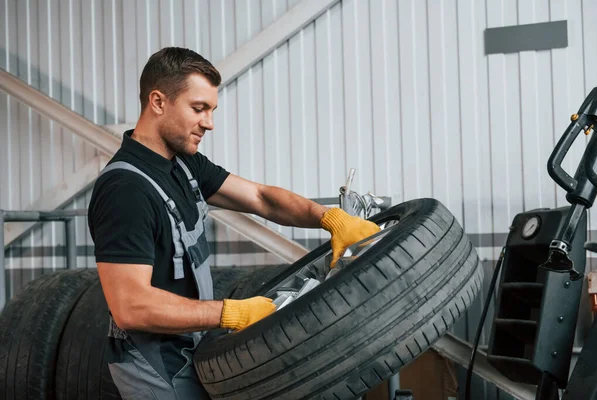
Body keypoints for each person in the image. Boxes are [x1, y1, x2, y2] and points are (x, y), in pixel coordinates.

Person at [87, 46, 381, 399]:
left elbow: (259, 197)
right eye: (199, 109)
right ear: (158, 102)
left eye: (211, 110)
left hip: (191, 350)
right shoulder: (126, 189)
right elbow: (131, 307)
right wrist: (233, 312)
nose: (209, 123)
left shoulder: (184, 164)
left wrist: (329, 218)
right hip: (154, 369)